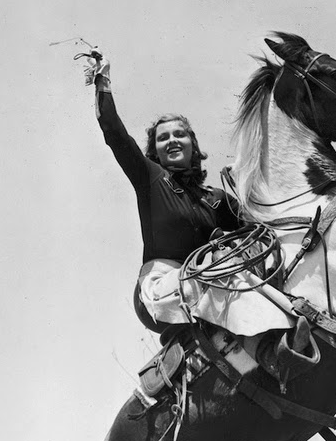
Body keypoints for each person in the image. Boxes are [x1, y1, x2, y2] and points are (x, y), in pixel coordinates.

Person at [85, 50, 243, 332]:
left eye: (179, 134)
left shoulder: (216, 199)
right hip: (162, 286)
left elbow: (260, 221)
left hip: (208, 280)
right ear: (154, 151)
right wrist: (103, 79)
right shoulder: (150, 177)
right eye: (163, 138)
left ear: (192, 145)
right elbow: (113, 131)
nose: (172, 140)